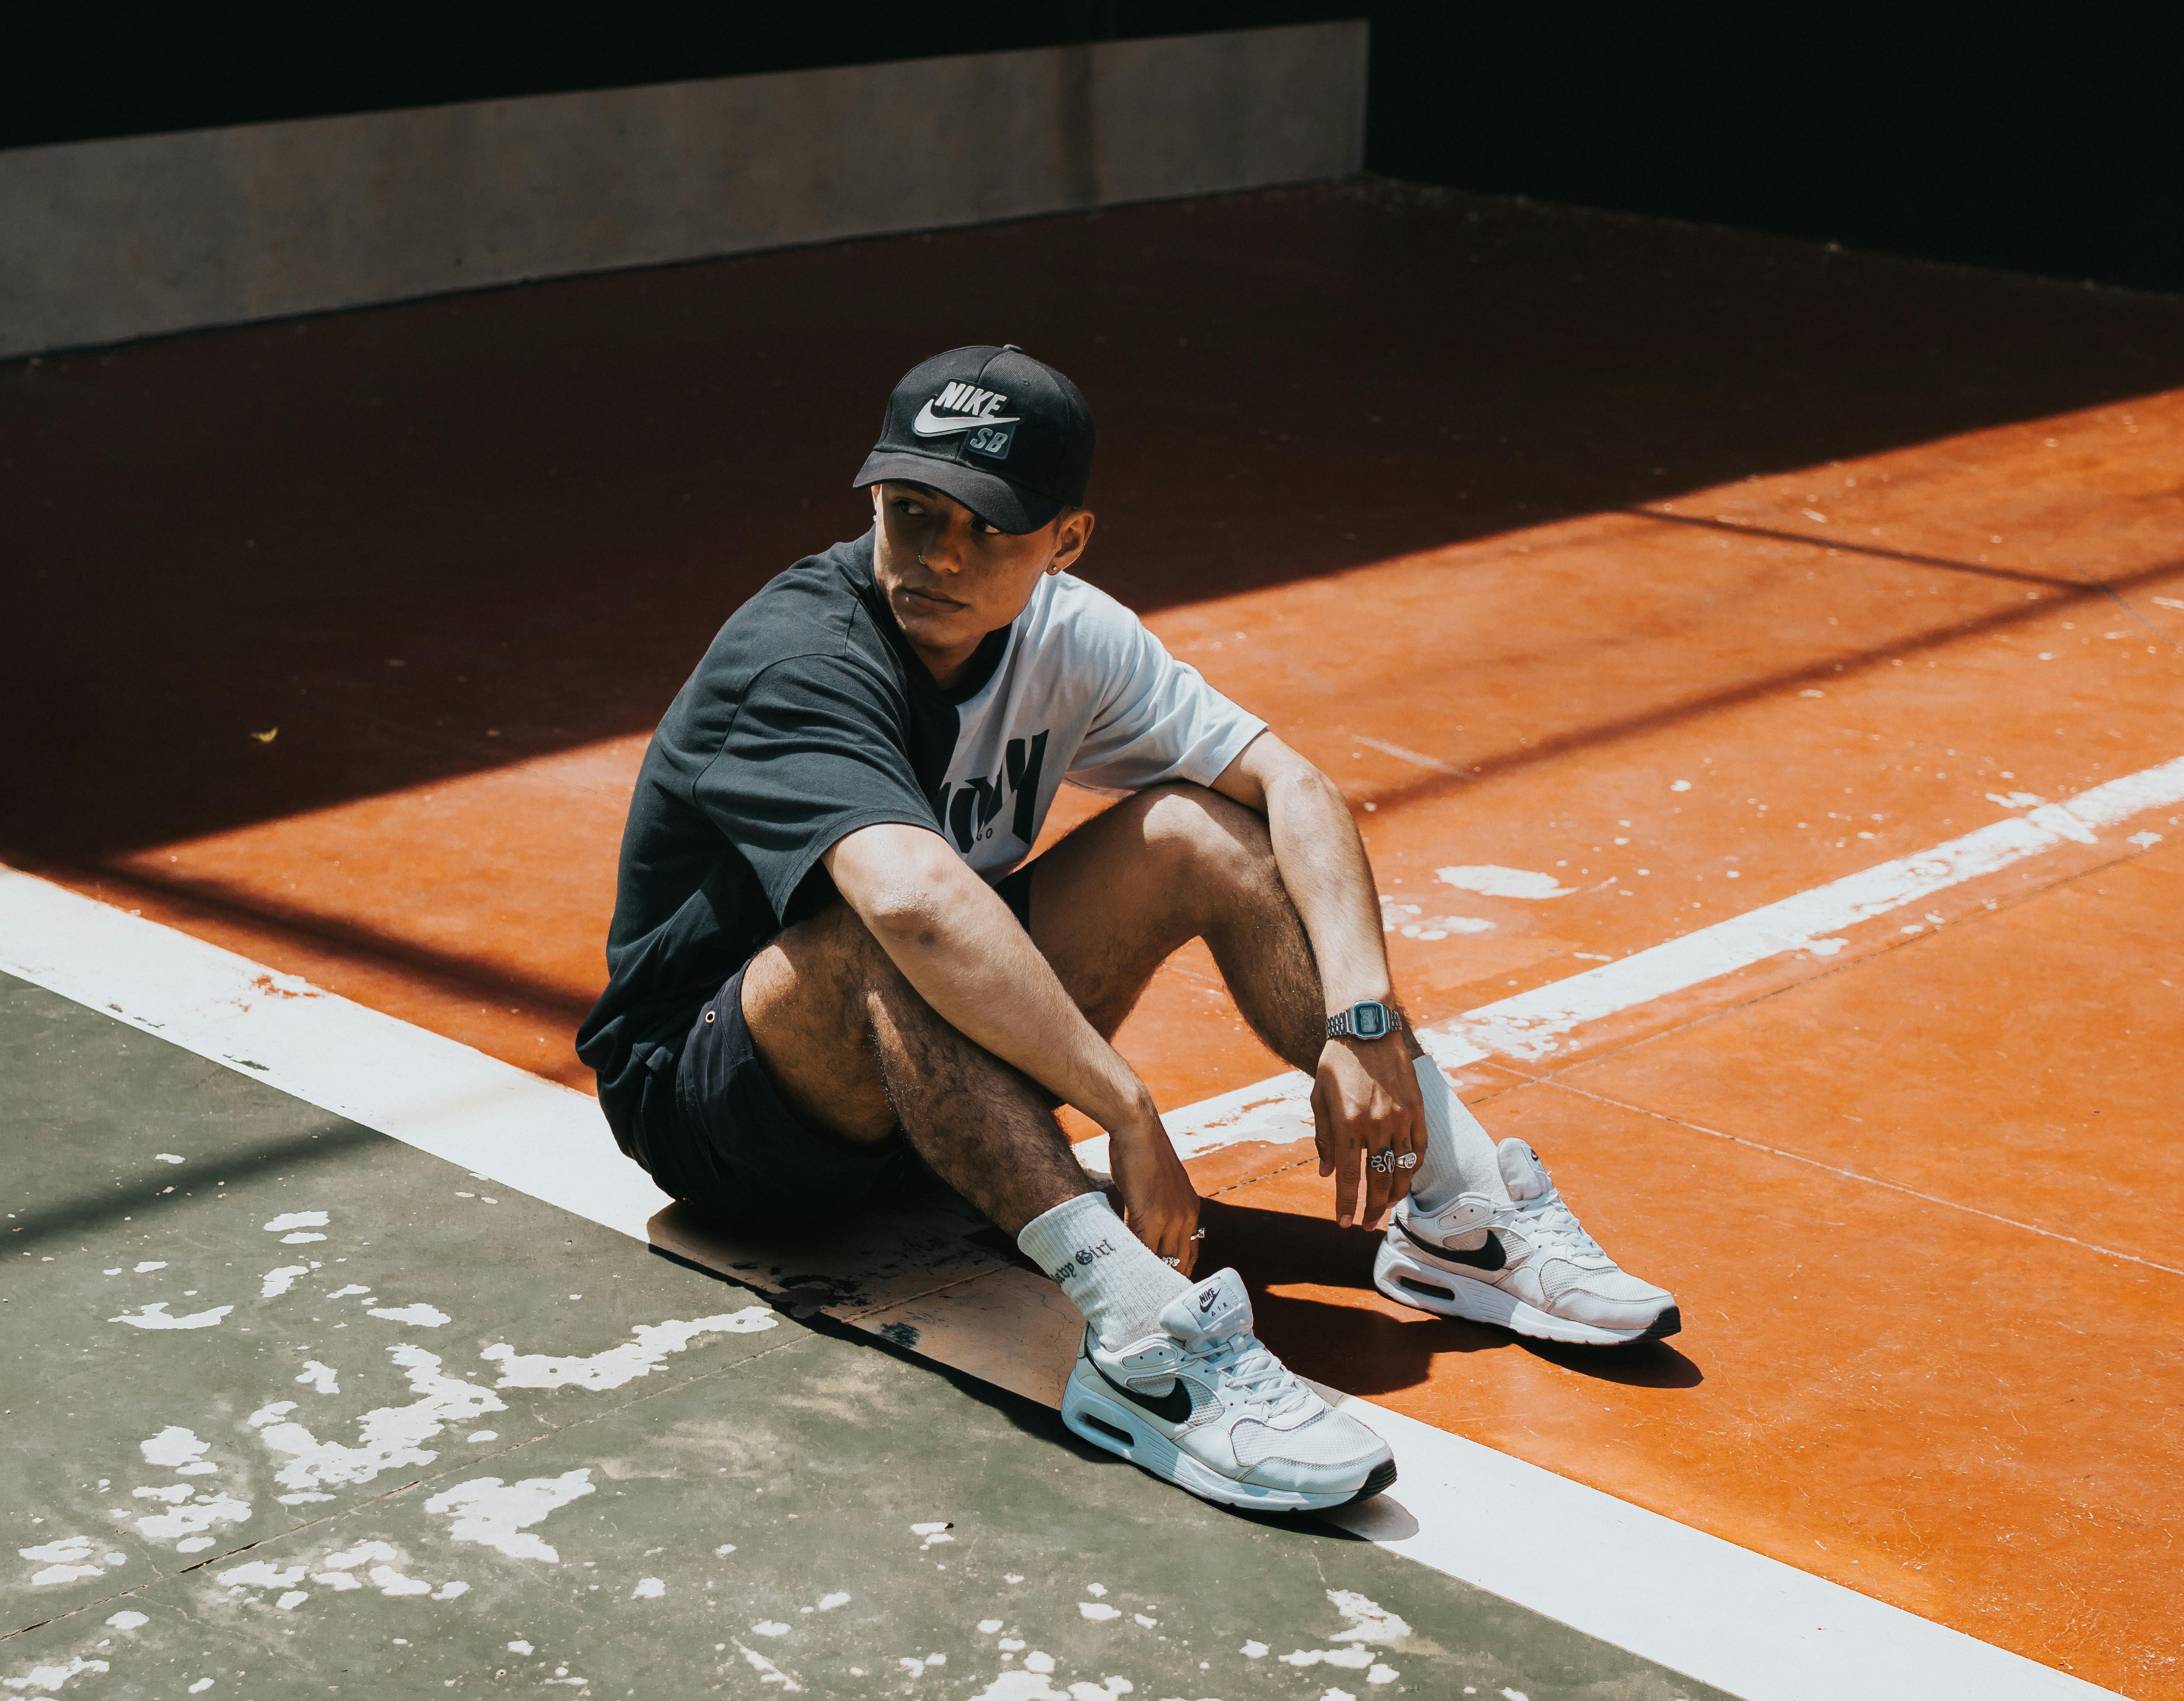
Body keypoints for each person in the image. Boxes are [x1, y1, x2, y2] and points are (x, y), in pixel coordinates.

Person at [579, 345, 1676, 1512]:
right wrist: (1123, 1106)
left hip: (925, 1096)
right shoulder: (798, 654)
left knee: (1198, 830)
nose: (938, 556)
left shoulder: (1068, 637)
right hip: (723, 1111)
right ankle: (1138, 1349)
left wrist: (1364, 1022)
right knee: (882, 926)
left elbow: (1292, 787)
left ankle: (1457, 1213)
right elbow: (909, 902)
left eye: (987, 527)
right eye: (910, 513)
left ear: (1067, 541)